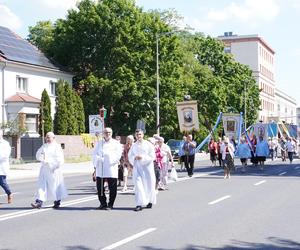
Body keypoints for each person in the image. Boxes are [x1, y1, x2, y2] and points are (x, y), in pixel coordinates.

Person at [31, 132, 67, 209]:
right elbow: (38, 154)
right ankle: (39, 202)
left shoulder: (57, 147)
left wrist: (51, 163)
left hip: (54, 170)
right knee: (41, 186)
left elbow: (60, 160)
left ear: (53, 138)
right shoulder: (44, 146)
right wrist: (42, 159)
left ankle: (57, 201)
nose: (47, 139)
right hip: (44, 170)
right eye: (46, 137)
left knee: (55, 187)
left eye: (49, 137)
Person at [92, 127, 123, 210]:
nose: (107, 134)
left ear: (111, 133)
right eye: (105, 132)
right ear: (103, 133)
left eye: (109, 132)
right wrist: (98, 158)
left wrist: (108, 158)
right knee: (100, 188)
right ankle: (103, 203)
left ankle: (111, 204)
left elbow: (118, 155)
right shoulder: (99, 143)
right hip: (101, 167)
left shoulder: (116, 143)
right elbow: (94, 154)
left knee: (112, 187)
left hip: (110, 167)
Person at [128, 129, 156, 212]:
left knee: (148, 185)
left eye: (140, 134)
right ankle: (139, 204)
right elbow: (130, 155)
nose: (138, 136)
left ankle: (150, 201)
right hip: (137, 168)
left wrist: (143, 158)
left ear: (143, 135)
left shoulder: (148, 144)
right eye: (137, 135)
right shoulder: (134, 145)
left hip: (147, 168)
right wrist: (134, 158)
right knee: (138, 185)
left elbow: (152, 156)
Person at [0, 129, 12, 204]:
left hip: (1, 167)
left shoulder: (5, 144)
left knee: (2, 182)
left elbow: (6, 155)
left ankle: (9, 193)